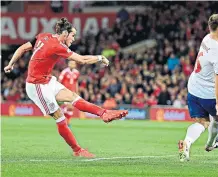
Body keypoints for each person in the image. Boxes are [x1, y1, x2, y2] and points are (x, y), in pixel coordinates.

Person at [4, 18, 128, 158]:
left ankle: (104, 113)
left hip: (47, 80)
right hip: (36, 85)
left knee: (73, 97)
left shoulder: (43, 36)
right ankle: (77, 150)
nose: (73, 38)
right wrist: (100, 57)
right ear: (64, 33)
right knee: (59, 117)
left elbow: (22, 48)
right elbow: (82, 60)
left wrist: (11, 64)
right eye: (72, 35)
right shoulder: (57, 46)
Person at [178, 14, 218, 162]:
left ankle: (187, 143)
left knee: (201, 123)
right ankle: (210, 143)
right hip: (209, 94)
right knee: (217, 119)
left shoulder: (206, 39)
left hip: (194, 88)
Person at [58, 60, 79, 126]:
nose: (72, 64)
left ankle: (66, 121)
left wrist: (77, 91)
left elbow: (76, 83)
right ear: (68, 64)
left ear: (75, 65)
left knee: (71, 108)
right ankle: (66, 122)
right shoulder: (64, 72)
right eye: (70, 63)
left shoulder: (77, 72)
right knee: (69, 106)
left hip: (73, 92)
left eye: (73, 63)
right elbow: (59, 81)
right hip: (65, 92)